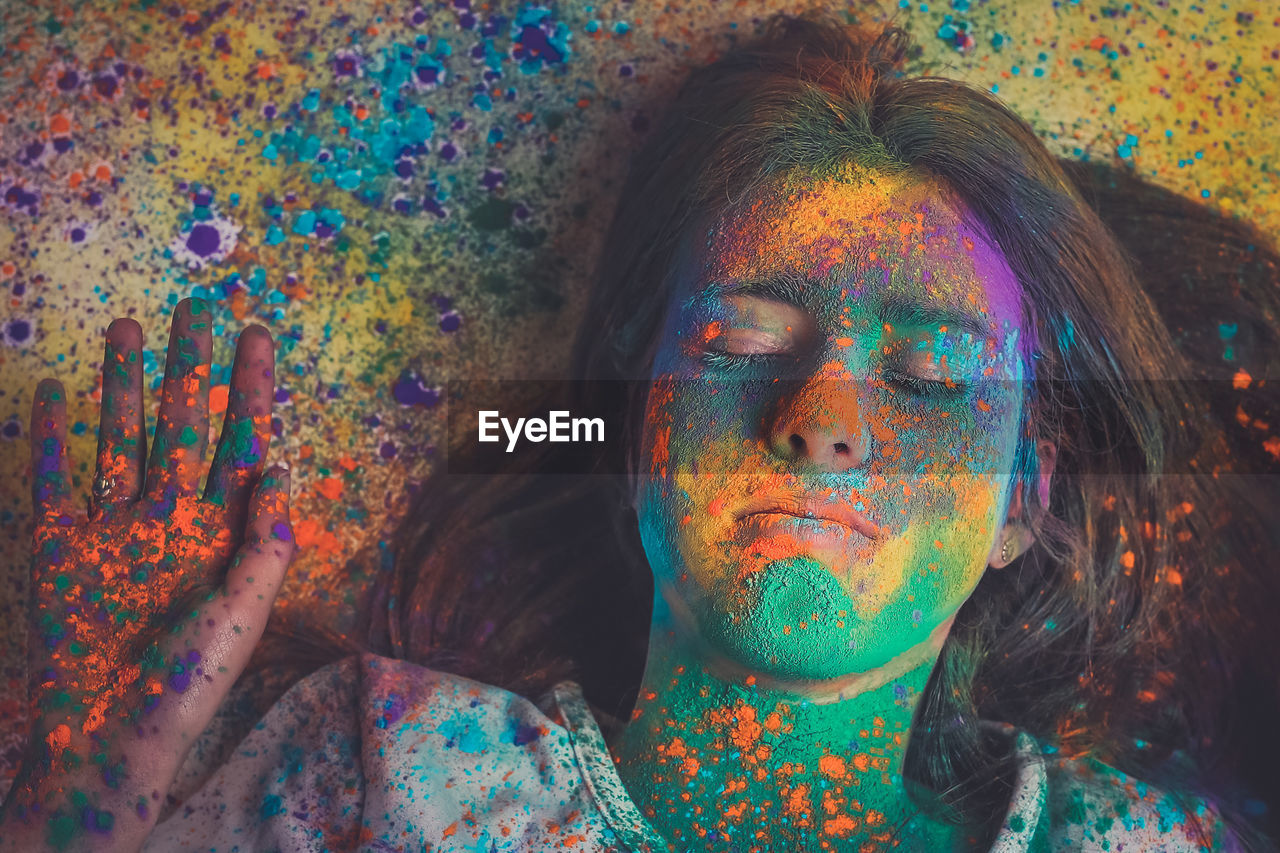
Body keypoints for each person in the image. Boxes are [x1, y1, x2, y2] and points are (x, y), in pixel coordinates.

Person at [2, 12, 1277, 852]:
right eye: (740, 348)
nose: (822, 425)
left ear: (1021, 498)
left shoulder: (1148, 846)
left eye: (933, 378)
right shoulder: (394, 772)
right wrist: (103, 754)